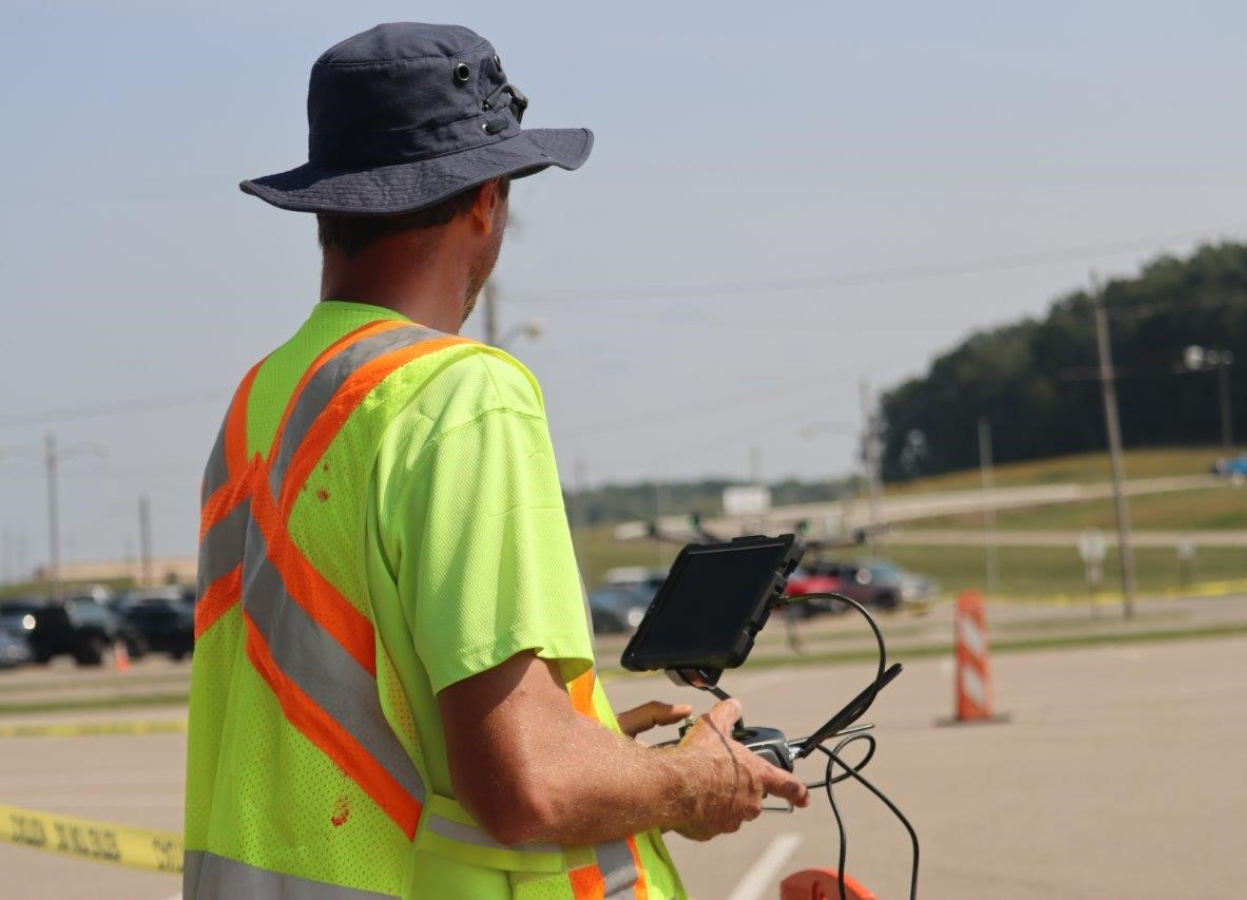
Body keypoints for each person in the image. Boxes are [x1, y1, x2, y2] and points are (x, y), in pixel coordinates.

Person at [184, 22, 808, 900]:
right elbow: (524, 788)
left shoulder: (262, 402)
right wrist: (693, 781)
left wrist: (586, 741)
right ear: (485, 199)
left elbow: (377, 714)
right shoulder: (461, 394)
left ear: (330, 205)